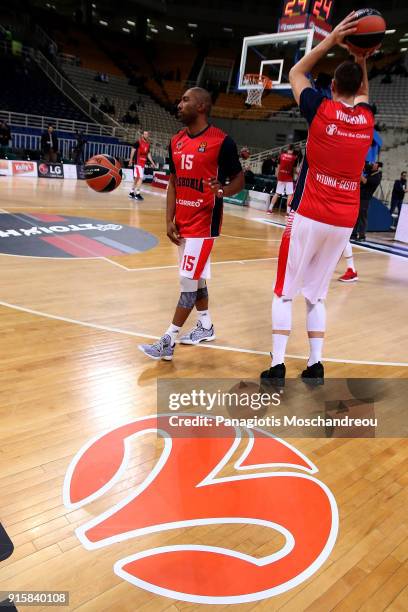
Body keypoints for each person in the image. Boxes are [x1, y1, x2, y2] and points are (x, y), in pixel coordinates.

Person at [260, 12, 375, 387]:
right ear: (359, 88)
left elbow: (295, 73)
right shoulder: (367, 119)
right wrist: (361, 57)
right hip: (344, 220)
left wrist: (330, 41)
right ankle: (315, 364)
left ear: (332, 88)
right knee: (317, 296)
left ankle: (277, 366)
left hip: (309, 212)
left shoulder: (320, 110)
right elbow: (364, 96)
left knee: (284, 291)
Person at [138, 87, 244, 360]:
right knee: (195, 281)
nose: (179, 103)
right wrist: (168, 220)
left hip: (204, 224)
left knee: (187, 283)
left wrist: (221, 191)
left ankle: (168, 340)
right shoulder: (176, 141)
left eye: (185, 99)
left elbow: (239, 180)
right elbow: (173, 182)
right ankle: (205, 326)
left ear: (201, 106)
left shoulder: (222, 141)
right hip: (182, 224)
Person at [267, 144, 297, 213]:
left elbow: (278, 167)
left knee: (277, 193)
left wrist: (277, 175)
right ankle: (287, 212)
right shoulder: (294, 158)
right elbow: (294, 170)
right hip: (289, 178)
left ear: (287, 149)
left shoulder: (281, 156)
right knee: (290, 194)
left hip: (281, 177)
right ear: (293, 150)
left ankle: (270, 209)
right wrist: (298, 173)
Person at [128, 130, 157, 200]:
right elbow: (133, 150)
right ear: (142, 135)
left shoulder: (148, 144)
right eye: (145, 134)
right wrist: (131, 159)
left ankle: (131, 192)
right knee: (140, 178)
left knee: (137, 178)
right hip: (138, 163)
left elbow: (148, 154)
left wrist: (152, 162)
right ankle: (137, 194)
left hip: (143, 163)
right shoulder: (138, 142)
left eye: (147, 134)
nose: (146, 135)